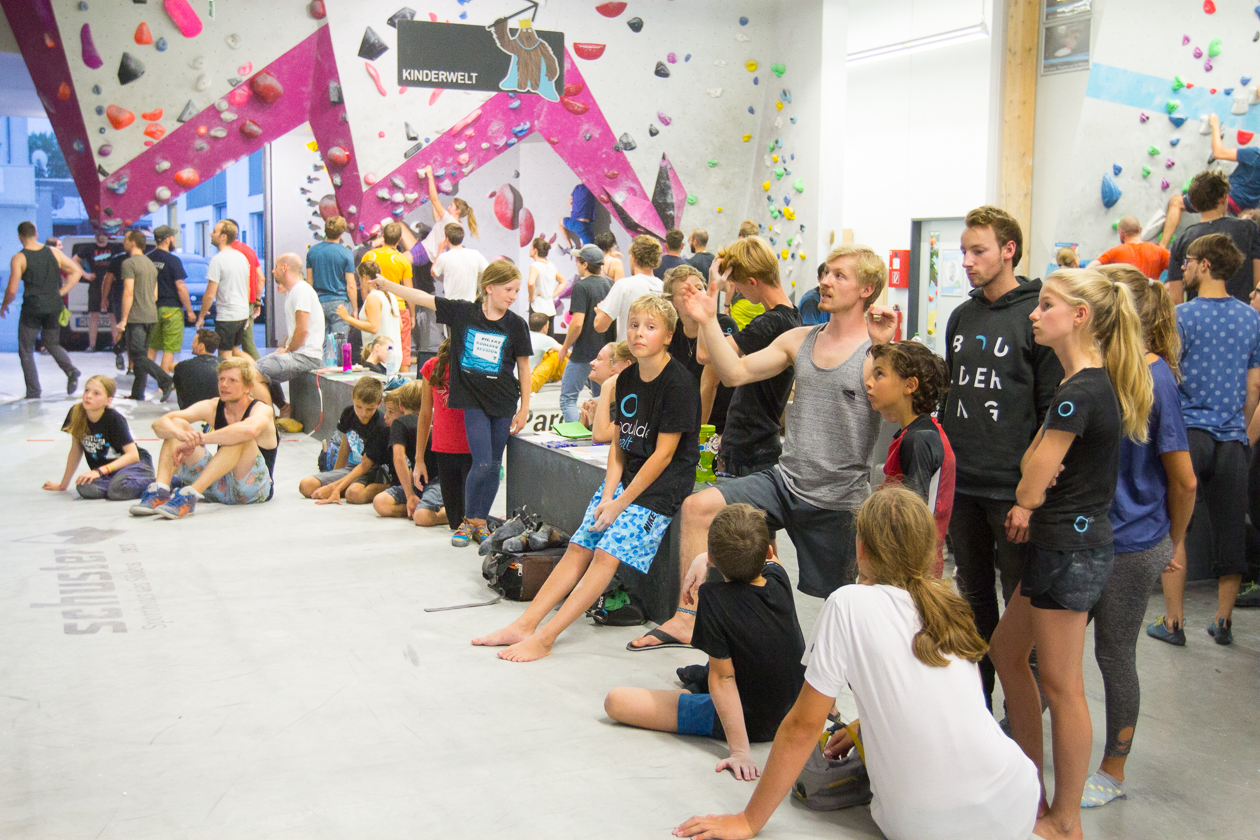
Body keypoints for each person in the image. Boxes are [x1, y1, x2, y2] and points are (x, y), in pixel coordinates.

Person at [673, 487, 1040, 840]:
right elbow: (949, 705)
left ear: (861, 547)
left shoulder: (848, 603)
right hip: (1017, 798)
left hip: (927, 824)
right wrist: (864, 724)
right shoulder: (948, 606)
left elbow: (803, 726)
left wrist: (748, 820)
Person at [630, 244, 895, 651]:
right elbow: (733, 372)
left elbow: (898, 415)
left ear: (867, 289)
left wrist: (886, 350)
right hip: (784, 481)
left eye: (840, 275)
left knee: (842, 604)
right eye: (826, 272)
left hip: (839, 499)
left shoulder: (875, 351)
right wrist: (705, 318)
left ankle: (835, 692)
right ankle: (687, 619)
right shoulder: (799, 339)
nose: (824, 280)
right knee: (698, 507)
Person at [989, 267, 1152, 840]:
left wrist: (1032, 484)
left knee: (1063, 684)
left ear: (1079, 316)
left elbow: (1030, 485)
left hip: (1070, 548)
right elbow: (1033, 467)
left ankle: (1066, 818)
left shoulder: (1080, 391)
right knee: (1007, 653)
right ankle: (1031, 784)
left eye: (1047, 305)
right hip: (1060, 545)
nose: (1035, 313)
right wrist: (1034, 474)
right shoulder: (1074, 386)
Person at [472, 293, 700, 662]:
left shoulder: (678, 384)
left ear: (669, 336)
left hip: (659, 491)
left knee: (606, 555)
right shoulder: (626, 379)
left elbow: (664, 455)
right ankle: (525, 623)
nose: (640, 333)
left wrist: (620, 503)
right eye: (634, 325)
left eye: (651, 327)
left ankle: (546, 636)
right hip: (624, 483)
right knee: (580, 544)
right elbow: (620, 445)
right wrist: (608, 494)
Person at [1079, 264, 1196, 807]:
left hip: (1130, 542)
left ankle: (1114, 768)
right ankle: (1022, 739)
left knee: (1113, 653)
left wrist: (1172, 542)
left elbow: (1184, 478)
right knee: (1039, 650)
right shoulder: (1095, 370)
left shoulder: (1156, 380)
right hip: (1084, 537)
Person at [941, 205, 1062, 708]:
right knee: (972, 602)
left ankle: (1025, 714)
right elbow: (950, 391)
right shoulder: (962, 316)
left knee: (1021, 607)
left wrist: (1030, 499)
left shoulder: (1036, 316)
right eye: (964, 251)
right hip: (963, 486)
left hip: (1012, 493)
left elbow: (1051, 416)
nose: (967, 261)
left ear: (1008, 250)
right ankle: (979, 704)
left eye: (978, 251)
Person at [604, 504, 805, 778]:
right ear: (768, 552)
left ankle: (694, 692)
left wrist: (740, 752)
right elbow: (769, 561)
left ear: (712, 557)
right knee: (703, 673)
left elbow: (723, 680)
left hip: (753, 721)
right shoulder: (778, 577)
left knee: (616, 702)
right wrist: (705, 558)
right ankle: (695, 682)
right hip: (793, 707)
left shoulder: (714, 599)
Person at [1149, 233, 1260, 647]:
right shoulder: (1252, 319)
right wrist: (1240, 430)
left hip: (1189, 436)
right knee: (1232, 530)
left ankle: (1174, 624)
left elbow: (1168, 380)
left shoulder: (1183, 317)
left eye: (1189, 260)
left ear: (1206, 265)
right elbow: (1254, 386)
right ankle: (1222, 622)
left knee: (1175, 528)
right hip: (1233, 440)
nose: (1184, 266)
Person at [377, 260, 532, 545]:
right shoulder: (464, 313)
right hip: (472, 401)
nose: (513, 296)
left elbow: (523, 367)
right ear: (490, 287)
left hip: (504, 402)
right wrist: (387, 286)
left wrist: (524, 408)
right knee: (482, 462)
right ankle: (469, 520)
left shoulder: (516, 325)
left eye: (516, 291)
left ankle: (479, 523)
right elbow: (424, 298)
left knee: (494, 464)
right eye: (509, 289)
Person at [700, 237, 799, 479]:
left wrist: (713, 289)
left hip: (751, 450)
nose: (739, 292)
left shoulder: (771, 322)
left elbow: (705, 354)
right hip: (754, 444)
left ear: (752, 282)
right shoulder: (790, 317)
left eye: (739, 286)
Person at [130, 358, 279, 518]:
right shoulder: (213, 406)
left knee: (239, 436)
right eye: (221, 379)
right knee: (177, 423)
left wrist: (200, 439)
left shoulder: (262, 410)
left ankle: (190, 496)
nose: (224, 385)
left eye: (232, 380)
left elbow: (249, 430)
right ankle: (160, 491)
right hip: (218, 484)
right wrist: (181, 435)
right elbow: (159, 425)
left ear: (248, 387)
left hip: (252, 489)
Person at [867, 340, 955, 577]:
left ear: (910, 385)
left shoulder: (920, 440)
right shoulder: (913, 434)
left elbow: (912, 518)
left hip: (912, 571)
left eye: (879, 374)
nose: (868, 382)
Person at [3, 221, 82, 399]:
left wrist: (4, 304)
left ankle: (33, 391)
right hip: (54, 306)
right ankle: (71, 371)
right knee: (52, 343)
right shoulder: (53, 252)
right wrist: (61, 292)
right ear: (36, 235)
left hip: (32, 308)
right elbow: (76, 272)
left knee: (26, 350)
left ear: (19, 237)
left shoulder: (19, 258)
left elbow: (12, 290)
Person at [43, 375, 154, 500]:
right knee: (84, 486)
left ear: (108, 400)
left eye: (96, 393)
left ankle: (160, 483)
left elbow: (133, 455)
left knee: (116, 489)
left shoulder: (114, 419)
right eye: (87, 390)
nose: (88, 396)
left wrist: (99, 472)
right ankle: (118, 486)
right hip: (108, 474)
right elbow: (76, 450)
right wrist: (63, 485)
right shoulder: (76, 412)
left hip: (135, 466)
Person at [1158, 113, 1260, 249]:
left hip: (1227, 200)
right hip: (1243, 213)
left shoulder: (1255, 156)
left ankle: (1161, 247)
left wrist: (1215, 126)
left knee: (1176, 202)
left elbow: (1219, 153)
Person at [662, 265, 737, 434]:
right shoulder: (671, 332)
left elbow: (711, 383)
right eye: (686, 291)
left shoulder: (724, 325)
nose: (696, 294)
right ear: (672, 302)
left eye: (699, 288)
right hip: (685, 421)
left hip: (720, 424)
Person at [1166, 169, 1260, 303]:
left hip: (1199, 318)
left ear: (1193, 204)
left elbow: (1175, 298)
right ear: (1223, 198)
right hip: (1242, 314)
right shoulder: (1248, 228)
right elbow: (1258, 281)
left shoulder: (1182, 240)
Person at [298, 376, 391, 506]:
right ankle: (347, 486)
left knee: (354, 494)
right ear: (352, 397)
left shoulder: (381, 426)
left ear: (379, 403)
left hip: (373, 471)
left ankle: (389, 487)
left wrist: (334, 488)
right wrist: (334, 476)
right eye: (359, 407)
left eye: (370, 409)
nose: (363, 413)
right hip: (352, 468)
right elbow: (345, 447)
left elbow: (365, 466)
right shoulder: (348, 413)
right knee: (306, 486)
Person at [253, 253, 326, 416]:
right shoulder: (293, 292)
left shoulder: (301, 290)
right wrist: (283, 348)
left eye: (276, 266)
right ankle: (284, 408)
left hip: (305, 357)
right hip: (299, 353)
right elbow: (294, 330)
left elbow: (303, 329)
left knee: (253, 373)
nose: (273, 271)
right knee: (262, 366)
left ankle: (267, 421)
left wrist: (288, 350)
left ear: (285, 267)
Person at [417, 338, 473, 535]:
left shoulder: (473, 365)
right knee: (455, 521)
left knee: (470, 517)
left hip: (471, 448)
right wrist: (419, 460)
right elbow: (425, 414)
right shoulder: (431, 367)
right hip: (443, 448)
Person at [373, 382, 446, 524]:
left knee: (421, 517)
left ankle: (457, 513)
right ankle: (417, 508)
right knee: (380, 502)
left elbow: (399, 458)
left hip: (438, 482)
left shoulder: (400, 423)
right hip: (421, 482)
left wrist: (410, 495)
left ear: (401, 405)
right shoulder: (436, 418)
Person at [116, 230, 176, 402]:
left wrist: (124, 319)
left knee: (137, 356)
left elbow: (128, 292)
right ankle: (137, 392)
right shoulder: (151, 264)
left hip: (136, 316)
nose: (124, 242)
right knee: (141, 354)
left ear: (133, 242)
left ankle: (166, 380)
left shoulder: (129, 263)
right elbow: (155, 294)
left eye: (126, 239)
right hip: (151, 314)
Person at [556, 244, 613, 422]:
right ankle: (597, 437)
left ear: (586, 265)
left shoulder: (581, 287)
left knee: (568, 399)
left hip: (583, 352)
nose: (576, 264)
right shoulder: (610, 285)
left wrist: (565, 347)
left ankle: (577, 436)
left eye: (578, 261)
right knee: (601, 400)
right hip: (604, 352)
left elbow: (577, 323)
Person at [362, 222, 415, 371]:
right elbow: (409, 290)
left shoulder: (369, 255)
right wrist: (412, 314)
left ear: (383, 236)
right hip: (398, 308)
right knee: (402, 350)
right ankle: (403, 389)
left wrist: (367, 305)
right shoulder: (403, 260)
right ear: (399, 240)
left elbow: (365, 286)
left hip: (375, 307)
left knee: (375, 347)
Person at [196, 220, 252, 358]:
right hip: (242, 314)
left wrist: (201, 316)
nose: (210, 233)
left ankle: (233, 378)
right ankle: (258, 373)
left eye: (214, 231)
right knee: (236, 351)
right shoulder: (242, 258)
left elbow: (210, 294)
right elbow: (247, 288)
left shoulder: (218, 260)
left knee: (224, 355)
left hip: (227, 316)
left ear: (223, 237)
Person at [595, 235, 664, 342]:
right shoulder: (664, 287)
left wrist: (600, 313)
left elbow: (600, 326)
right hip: (655, 354)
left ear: (634, 259)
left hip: (627, 352)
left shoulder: (624, 286)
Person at [338, 261, 402, 377]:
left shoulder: (373, 297)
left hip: (380, 360)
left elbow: (373, 327)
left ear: (364, 277)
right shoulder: (391, 296)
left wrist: (347, 318)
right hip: (393, 357)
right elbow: (400, 325)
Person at [146, 226, 194, 375]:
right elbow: (180, 286)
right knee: (169, 349)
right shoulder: (173, 260)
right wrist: (190, 311)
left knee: (152, 347)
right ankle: (163, 383)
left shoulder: (147, 259)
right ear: (167, 239)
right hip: (172, 310)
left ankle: (142, 381)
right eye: (173, 237)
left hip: (152, 309)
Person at [306, 215, 358, 345]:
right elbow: (351, 285)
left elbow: (309, 282)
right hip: (340, 304)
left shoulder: (312, 252)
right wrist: (355, 309)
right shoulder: (346, 253)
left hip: (318, 303)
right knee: (339, 346)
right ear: (341, 232)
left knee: (320, 345)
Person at [71, 230, 119, 352]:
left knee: (112, 316)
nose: (100, 239)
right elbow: (74, 260)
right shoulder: (89, 248)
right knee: (94, 315)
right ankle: (92, 345)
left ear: (107, 236)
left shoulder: (115, 248)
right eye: (98, 236)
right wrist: (85, 274)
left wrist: (116, 276)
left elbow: (124, 263)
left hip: (111, 287)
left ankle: (117, 345)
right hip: (95, 286)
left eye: (103, 236)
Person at [225, 218, 264, 361]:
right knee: (247, 343)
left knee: (227, 346)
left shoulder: (228, 253)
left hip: (233, 303)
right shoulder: (249, 251)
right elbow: (261, 278)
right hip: (249, 302)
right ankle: (261, 375)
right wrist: (257, 301)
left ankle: (261, 375)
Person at [1087, 215, 1170, 280]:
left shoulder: (1114, 252)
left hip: (1126, 299)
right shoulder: (1160, 251)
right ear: (1140, 230)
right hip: (1151, 299)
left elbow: (1089, 269)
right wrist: (1167, 288)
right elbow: (1180, 266)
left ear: (1121, 234)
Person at [580, 341, 634, 431]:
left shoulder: (629, 408)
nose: (591, 362)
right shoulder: (594, 405)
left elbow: (600, 437)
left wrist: (593, 425)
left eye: (599, 359)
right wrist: (583, 427)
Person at [432, 222, 489, 302]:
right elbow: (489, 271)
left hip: (451, 304)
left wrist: (440, 250)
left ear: (447, 239)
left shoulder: (444, 257)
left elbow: (434, 273)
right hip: (470, 304)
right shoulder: (475, 254)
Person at [173, 329, 221, 409]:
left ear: (201, 346)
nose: (191, 345)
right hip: (217, 410)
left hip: (190, 411)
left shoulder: (183, 366)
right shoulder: (225, 365)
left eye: (194, 342)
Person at [528, 312, 565, 392]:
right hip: (528, 385)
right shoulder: (544, 339)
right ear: (544, 327)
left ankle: (552, 378)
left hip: (513, 382)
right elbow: (565, 351)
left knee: (546, 352)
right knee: (556, 354)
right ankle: (568, 382)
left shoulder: (524, 335)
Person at [526, 237, 559, 318]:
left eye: (531, 247)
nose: (529, 249)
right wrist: (551, 295)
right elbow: (563, 282)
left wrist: (531, 297)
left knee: (535, 331)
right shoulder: (551, 265)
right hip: (550, 308)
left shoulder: (535, 266)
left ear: (535, 250)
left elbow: (531, 283)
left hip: (537, 308)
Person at [561, 182, 596, 249]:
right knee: (589, 242)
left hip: (577, 223)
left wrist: (572, 207)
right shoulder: (593, 190)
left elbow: (569, 202)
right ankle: (582, 246)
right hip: (586, 224)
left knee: (560, 222)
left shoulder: (578, 188)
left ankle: (569, 246)